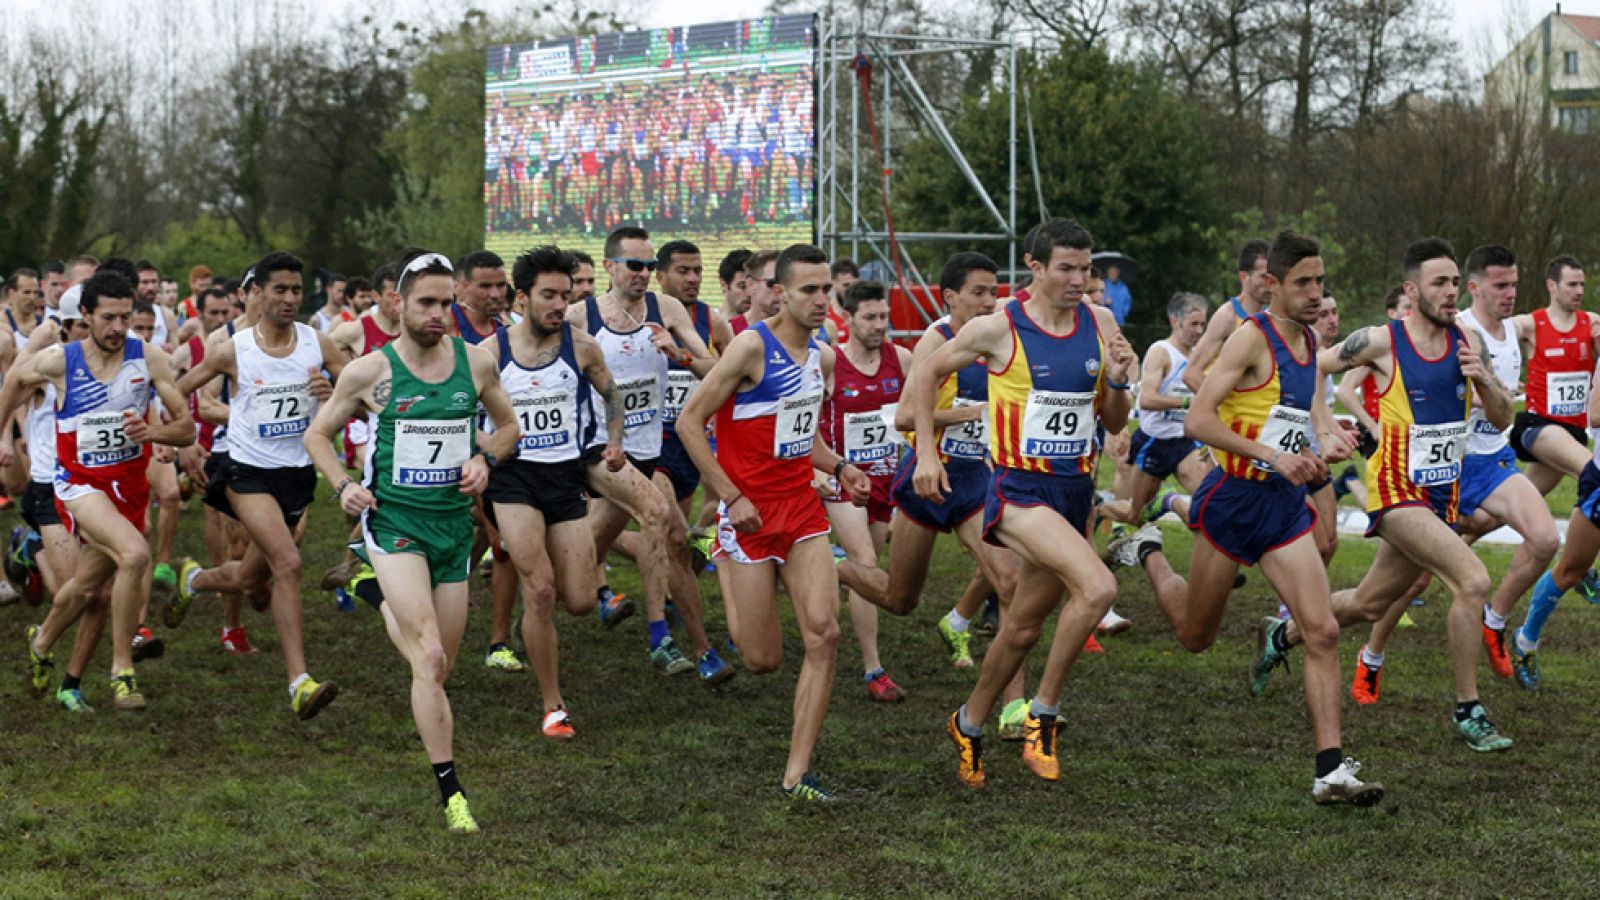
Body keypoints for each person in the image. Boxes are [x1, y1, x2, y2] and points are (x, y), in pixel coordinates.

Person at [1256, 237, 1516, 754]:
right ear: (1411, 289)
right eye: (1438, 283)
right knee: (1473, 579)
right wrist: (1325, 422)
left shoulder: (1468, 342)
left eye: (1453, 282)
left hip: (1441, 498)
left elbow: (1504, 417)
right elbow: (1312, 364)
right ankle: (1470, 709)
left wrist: (1483, 379)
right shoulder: (1381, 340)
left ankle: (1280, 637)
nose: (1449, 292)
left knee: (1371, 604)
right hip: (1396, 493)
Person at [910, 218, 1133, 788]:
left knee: (1021, 629)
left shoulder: (1101, 322)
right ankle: (1043, 714)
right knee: (1099, 588)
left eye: (1085, 269)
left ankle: (969, 720)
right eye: (1066, 268)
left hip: (1074, 491)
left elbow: (1112, 420)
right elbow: (925, 372)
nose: (1079, 280)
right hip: (1018, 492)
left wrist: (1118, 379)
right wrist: (928, 456)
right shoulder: (997, 326)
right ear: (1034, 267)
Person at [304, 250, 519, 834]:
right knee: (427, 656)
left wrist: (485, 459)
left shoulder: (475, 365)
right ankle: (452, 791)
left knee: (437, 665)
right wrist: (344, 485)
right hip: (395, 522)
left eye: (447, 302)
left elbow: (509, 428)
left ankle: (374, 593)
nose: (438, 313)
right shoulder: (369, 371)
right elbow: (318, 434)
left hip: (454, 530)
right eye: (426, 302)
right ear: (397, 302)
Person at [676, 243, 890, 801]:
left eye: (829, 290)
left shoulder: (821, 356)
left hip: (800, 508)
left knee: (825, 635)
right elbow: (690, 423)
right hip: (747, 517)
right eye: (810, 291)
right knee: (761, 659)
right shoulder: (750, 346)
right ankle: (723, 556)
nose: (823, 301)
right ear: (781, 292)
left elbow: (801, 434)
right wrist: (730, 496)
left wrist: (839, 466)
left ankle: (797, 774)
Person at [1351, 245, 1559, 703]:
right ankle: (1372, 656)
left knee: (1545, 538)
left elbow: (1504, 409)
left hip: (1492, 462)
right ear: (1475, 287)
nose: (1509, 294)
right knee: (1412, 579)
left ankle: (1495, 620)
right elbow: (1357, 368)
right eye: (1500, 285)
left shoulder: (1506, 333)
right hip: (1442, 470)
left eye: (1514, 285)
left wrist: (1485, 379)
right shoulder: (1451, 329)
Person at [0, 270, 195, 711]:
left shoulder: (148, 359)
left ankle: (42, 642)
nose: (118, 328)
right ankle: (122, 669)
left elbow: (184, 427)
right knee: (136, 554)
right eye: (108, 318)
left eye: (125, 317)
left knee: (87, 586)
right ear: (85, 315)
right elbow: (13, 381)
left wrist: (154, 431)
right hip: (78, 487)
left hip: (127, 491)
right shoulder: (60, 360)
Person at [172, 251, 344, 721]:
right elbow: (181, 386)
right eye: (280, 290)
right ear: (257, 293)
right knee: (287, 562)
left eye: (295, 290)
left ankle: (193, 580)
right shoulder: (234, 349)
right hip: (244, 473)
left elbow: (358, 401)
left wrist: (333, 398)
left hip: (295, 475)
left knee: (251, 577)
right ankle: (299, 682)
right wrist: (177, 441)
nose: (290, 298)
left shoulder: (318, 344)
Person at [485, 246, 636, 739]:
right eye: (548, 295)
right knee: (541, 590)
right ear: (522, 297)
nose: (558, 305)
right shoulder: (491, 354)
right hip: (514, 479)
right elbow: (462, 412)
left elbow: (612, 394)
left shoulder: (582, 346)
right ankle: (553, 706)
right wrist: (482, 451)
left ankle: (571, 596)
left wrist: (614, 441)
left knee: (578, 599)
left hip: (565, 478)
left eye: (565, 296)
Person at [566, 226, 726, 681]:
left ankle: (544, 599)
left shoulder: (667, 309)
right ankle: (670, 640)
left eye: (650, 266)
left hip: (647, 448)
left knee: (592, 551)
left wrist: (678, 354)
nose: (644, 274)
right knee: (662, 518)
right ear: (610, 267)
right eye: (635, 265)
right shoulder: (581, 317)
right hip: (599, 449)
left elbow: (716, 371)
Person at [1, 295, 98, 709]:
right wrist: (3, 436)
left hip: (95, 486)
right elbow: (13, 382)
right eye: (78, 327)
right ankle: (32, 548)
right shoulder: (49, 362)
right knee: (75, 591)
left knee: (94, 593)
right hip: (49, 488)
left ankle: (72, 683)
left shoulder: (113, 359)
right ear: (66, 325)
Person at [819, 279, 911, 702]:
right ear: (848, 318)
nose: (879, 325)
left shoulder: (902, 359)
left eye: (884, 317)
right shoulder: (830, 364)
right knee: (867, 563)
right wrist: (821, 473)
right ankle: (874, 669)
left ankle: (826, 564)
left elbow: (912, 418)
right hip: (843, 481)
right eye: (870, 317)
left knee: (865, 572)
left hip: (886, 482)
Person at [1098, 292, 1212, 526]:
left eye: (1203, 324)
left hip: (1185, 442)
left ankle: (1170, 501)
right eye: (1193, 324)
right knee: (1135, 515)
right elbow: (1147, 399)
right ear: (1175, 321)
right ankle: (1099, 507)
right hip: (1154, 443)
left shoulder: (1199, 356)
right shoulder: (1161, 351)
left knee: (1209, 505)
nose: (1199, 331)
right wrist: (1188, 402)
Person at [1182, 239, 1272, 393]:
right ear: (1244, 277)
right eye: (1263, 277)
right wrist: (1218, 408)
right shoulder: (1227, 316)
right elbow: (1191, 374)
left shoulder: (1272, 316)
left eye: (1273, 277)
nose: (1270, 283)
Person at [823, 257, 859, 343]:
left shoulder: (867, 313)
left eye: (855, 285)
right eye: (846, 285)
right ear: (833, 283)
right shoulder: (823, 313)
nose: (851, 290)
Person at [1103, 262, 1131, 326]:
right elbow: (1096, 301)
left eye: (1115, 272)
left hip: (1120, 322)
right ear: (1107, 273)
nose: (1113, 274)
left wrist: (1123, 313)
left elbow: (1128, 302)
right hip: (1105, 321)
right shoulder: (1103, 285)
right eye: (1111, 272)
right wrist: (1105, 303)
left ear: (1118, 273)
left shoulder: (1123, 287)